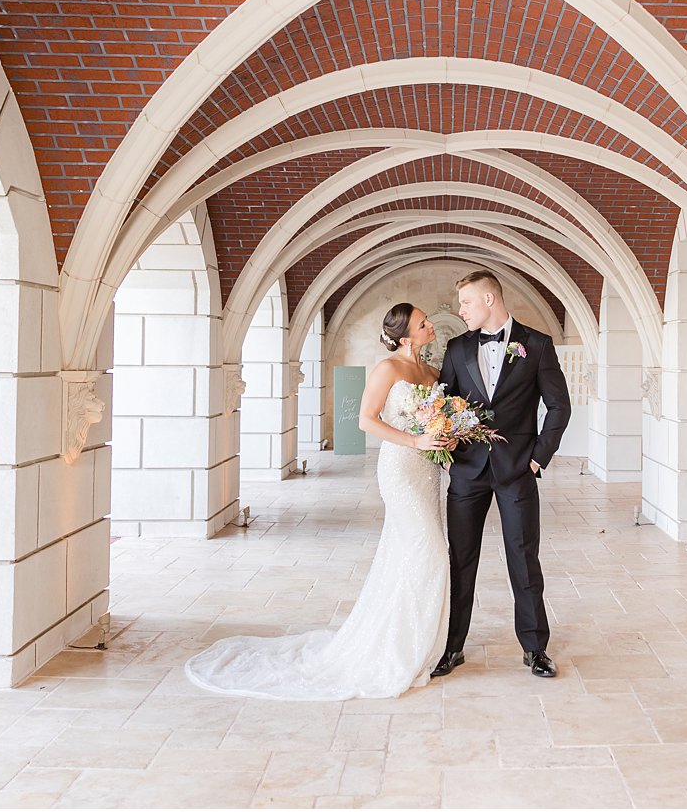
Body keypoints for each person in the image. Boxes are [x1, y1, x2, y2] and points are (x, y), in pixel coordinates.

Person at [184, 304, 454, 700]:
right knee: (428, 550)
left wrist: (443, 435)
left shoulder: (433, 374)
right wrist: (415, 440)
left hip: (428, 473)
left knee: (416, 555)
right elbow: (366, 420)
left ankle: (419, 643)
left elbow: (436, 418)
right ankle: (398, 648)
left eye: (427, 320)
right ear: (404, 336)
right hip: (400, 470)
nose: (430, 325)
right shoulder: (388, 370)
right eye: (422, 323)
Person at [432, 270, 572, 680]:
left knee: (524, 560)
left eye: (467, 303)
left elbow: (559, 407)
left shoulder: (538, 345)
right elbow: (444, 403)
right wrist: (450, 449)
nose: (461, 311)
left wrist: (537, 458)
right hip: (468, 473)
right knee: (461, 561)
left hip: (517, 472)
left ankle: (535, 648)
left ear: (490, 299)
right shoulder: (457, 348)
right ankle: (452, 646)